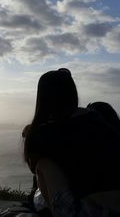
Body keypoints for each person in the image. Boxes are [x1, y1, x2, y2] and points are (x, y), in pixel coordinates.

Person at [23, 68, 120, 216]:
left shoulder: (42, 134)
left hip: (91, 211)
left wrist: (32, 132)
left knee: (42, 165)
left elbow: (32, 165)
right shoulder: (95, 117)